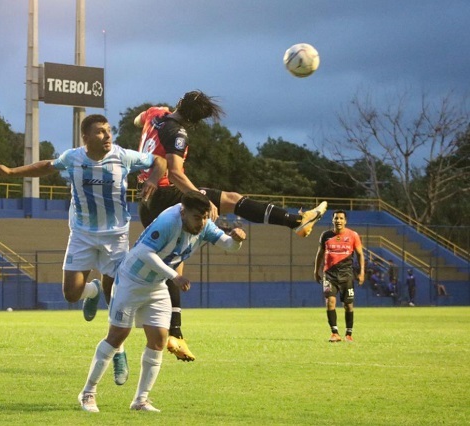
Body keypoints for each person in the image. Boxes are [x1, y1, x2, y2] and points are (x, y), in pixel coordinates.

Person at [135, 90, 327, 360]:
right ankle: (295, 221)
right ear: (194, 122)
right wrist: (201, 198)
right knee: (233, 200)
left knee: (174, 266)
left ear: (179, 103)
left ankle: (176, 334)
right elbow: (176, 173)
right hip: (165, 194)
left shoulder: (155, 114)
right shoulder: (178, 133)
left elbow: (137, 120)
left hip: (145, 199)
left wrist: (153, 129)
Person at [0, 114, 165, 385]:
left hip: (115, 237)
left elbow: (160, 161)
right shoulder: (73, 158)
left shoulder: (123, 156)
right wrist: (11, 171)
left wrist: (153, 179)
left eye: (108, 131)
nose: (107, 136)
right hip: (81, 235)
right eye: (100, 132)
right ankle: (89, 291)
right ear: (86, 138)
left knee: (115, 297)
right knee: (71, 294)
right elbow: (45, 166)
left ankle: (119, 350)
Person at [78, 190, 246, 413]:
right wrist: (174, 275)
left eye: (205, 217)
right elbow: (145, 253)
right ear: (184, 211)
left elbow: (228, 245)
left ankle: (140, 400)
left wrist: (237, 240)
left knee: (158, 339)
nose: (202, 223)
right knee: (117, 336)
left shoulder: (203, 224)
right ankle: (87, 393)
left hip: (156, 285)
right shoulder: (169, 220)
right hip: (132, 280)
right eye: (198, 218)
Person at [314, 210, 365, 343]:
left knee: (348, 305)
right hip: (329, 274)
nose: (338, 220)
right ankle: (334, 333)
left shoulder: (353, 235)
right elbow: (320, 254)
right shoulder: (325, 235)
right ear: (332, 220)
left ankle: (349, 333)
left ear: (345, 221)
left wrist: (362, 272)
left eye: (341, 218)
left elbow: (360, 255)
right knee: (330, 302)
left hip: (346, 275)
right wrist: (316, 271)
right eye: (336, 218)